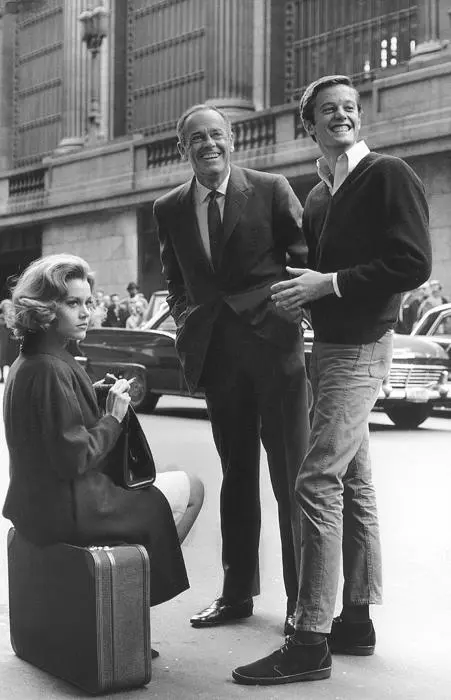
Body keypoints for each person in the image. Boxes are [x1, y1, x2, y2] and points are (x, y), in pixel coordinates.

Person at [232, 75, 432, 685]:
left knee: (316, 481)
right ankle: (356, 621)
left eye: (349, 106)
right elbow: (316, 272)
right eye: (328, 109)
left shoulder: (388, 174)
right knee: (354, 483)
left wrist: (331, 284)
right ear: (309, 123)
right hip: (328, 348)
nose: (342, 115)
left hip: (363, 349)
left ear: (358, 117)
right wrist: (303, 292)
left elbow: (413, 263)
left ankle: (310, 637)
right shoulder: (320, 194)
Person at [154, 104, 310, 635]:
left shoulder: (270, 189)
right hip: (217, 357)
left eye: (216, 135)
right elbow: (175, 279)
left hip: (275, 351)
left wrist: (288, 312)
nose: (209, 145)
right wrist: (187, 319)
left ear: (232, 139)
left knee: (290, 478)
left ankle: (302, 603)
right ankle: (236, 593)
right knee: (236, 477)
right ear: (183, 148)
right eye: (197, 138)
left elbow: (302, 257)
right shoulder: (169, 207)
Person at [2, 254, 204, 645]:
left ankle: (122, 597)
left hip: (37, 505)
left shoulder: (31, 359)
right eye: (72, 303)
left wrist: (92, 397)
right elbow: (74, 456)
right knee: (192, 488)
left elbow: (52, 429)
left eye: (87, 302)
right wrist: (112, 416)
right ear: (45, 309)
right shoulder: (50, 368)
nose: (85, 312)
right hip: (69, 508)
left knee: (163, 491)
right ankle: (124, 603)